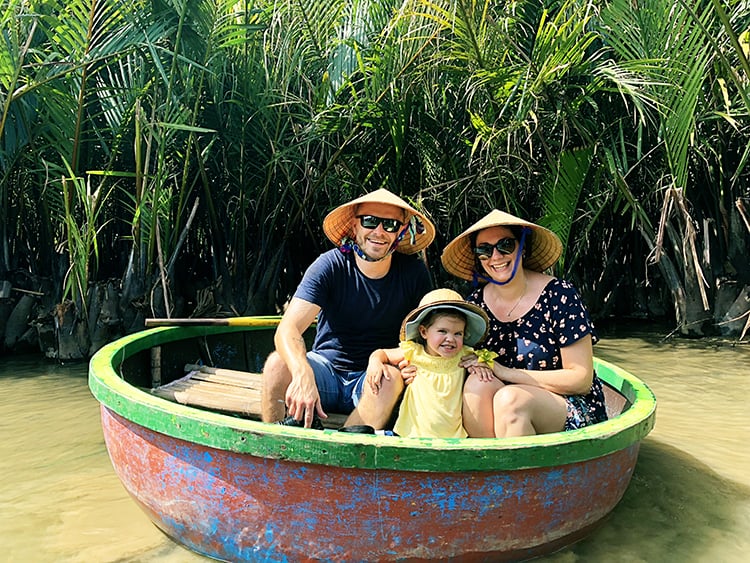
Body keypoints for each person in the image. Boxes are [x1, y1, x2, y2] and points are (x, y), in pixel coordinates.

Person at [261, 188, 435, 429]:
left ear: (401, 231)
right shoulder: (329, 266)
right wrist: (303, 372)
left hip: (374, 377)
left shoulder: (414, 274)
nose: (379, 231)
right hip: (326, 372)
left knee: (391, 378)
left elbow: (429, 333)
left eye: (390, 225)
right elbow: (287, 329)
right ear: (354, 226)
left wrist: (407, 361)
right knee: (276, 364)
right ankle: (273, 448)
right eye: (370, 221)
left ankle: (344, 451)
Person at [440, 209, 608, 438]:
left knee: (510, 401)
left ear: (523, 247)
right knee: (477, 386)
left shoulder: (559, 295)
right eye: (484, 250)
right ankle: (491, 468)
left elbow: (581, 380)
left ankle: (517, 472)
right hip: (503, 403)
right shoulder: (475, 306)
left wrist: (505, 372)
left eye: (505, 245)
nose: (496, 256)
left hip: (566, 405)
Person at [366, 288, 490, 438]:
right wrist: (375, 362)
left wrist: (481, 364)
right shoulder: (414, 352)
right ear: (424, 332)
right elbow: (382, 353)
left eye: (458, 333)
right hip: (411, 432)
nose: (450, 338)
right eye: (443, 331)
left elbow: (486, 360)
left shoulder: (464, 355)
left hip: (452, 435)